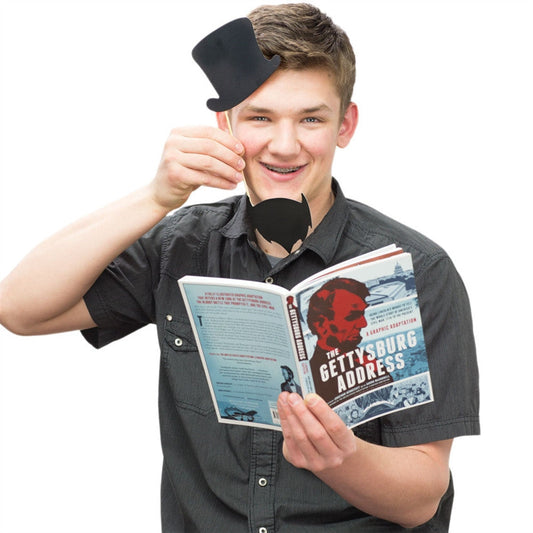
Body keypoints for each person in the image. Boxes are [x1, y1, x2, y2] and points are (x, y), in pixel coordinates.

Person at [0, 3, 479, 532]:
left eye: (311, 118)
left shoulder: (417, 270)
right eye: (260, 117)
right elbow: (19, 309)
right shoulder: (180, 247)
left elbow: (421, 499)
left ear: (345, 125)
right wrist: (156, 198)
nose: (285, 145)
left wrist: (342, 459)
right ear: (225, 123)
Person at [306, 277, 393, 403]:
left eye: (362, 314)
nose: (363, 324)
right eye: (352, 316)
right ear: (320, 324)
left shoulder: (363, 357)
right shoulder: (313, 376)